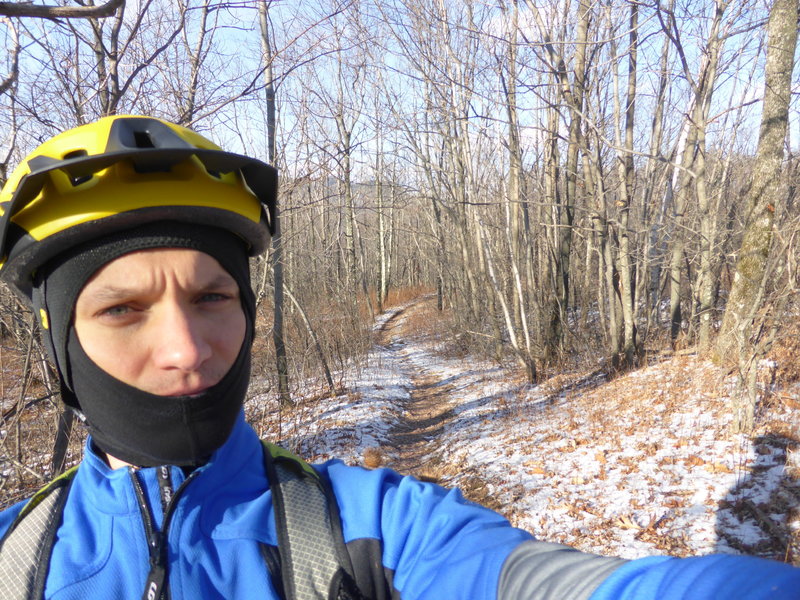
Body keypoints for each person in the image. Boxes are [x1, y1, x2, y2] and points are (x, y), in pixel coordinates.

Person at [0, 116, 797, 600]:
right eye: (121, 309)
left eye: (213, 297)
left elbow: (533, 580)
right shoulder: (14, 561)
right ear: (56, 346)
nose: (184, 349)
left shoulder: (364, 526)